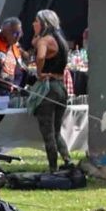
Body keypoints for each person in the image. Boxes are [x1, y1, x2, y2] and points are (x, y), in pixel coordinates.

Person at [27, 10, 75, 171]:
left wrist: (39, 72)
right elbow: (35, 43)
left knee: (47, 131)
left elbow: (40, 56)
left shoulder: (45, 41)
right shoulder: (60, 40)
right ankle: (68, 160)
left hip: (48, 88)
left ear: (44, 24)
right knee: (56, 131)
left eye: (36, 21)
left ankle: (53, 168)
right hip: (61, 86)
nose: (34, 24)